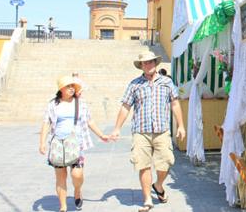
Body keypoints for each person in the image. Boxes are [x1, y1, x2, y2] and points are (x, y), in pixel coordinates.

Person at [110, 51, 185, 212]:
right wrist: (117, 128)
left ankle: (158, 185)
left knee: (166, 161)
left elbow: (175, 104)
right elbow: (125, 107)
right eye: (144, 63)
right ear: (141, 66)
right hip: (140, 132)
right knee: (143, 165)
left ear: (155, 63)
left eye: (150, 62)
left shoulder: (166, 82)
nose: (148, 65)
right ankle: (147, 199)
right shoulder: (134, 84)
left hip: (162, 130)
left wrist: (181, 125)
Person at [39, 75, 109, 212]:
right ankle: (63, 206)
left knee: (77, 175)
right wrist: (42, 142)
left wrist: (101, 135)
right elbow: (46, 123)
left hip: (77, 143)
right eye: (68, 86)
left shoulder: (80, 103)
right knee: (60, 176)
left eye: (73, 86)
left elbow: (90, 121)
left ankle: (77, 191)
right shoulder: (53, 104)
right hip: (58, 143)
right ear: (61, 89)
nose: (71, 89)